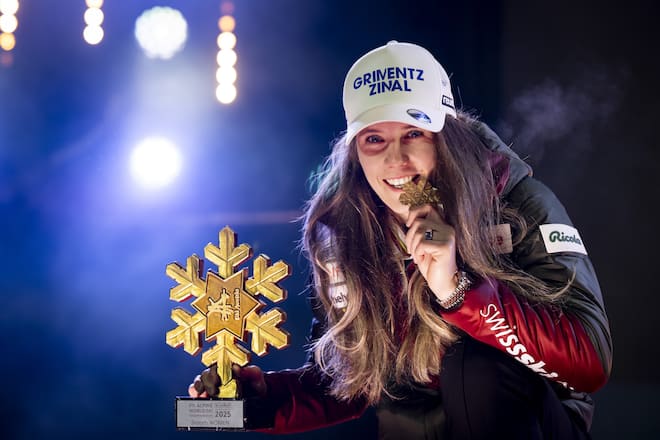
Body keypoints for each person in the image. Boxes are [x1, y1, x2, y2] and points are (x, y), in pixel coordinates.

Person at [189, 41, 612, 439]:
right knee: (404, 408)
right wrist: (256, 401)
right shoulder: (344, 231)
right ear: (356, 148)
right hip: (415, 427)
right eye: (375, 139)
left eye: (414, 133)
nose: (396, 160)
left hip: (532, 422)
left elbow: (590, 363)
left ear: (446, 136)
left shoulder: (515, 203)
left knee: (474, 366)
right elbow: (349, 381)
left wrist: (459, 292)